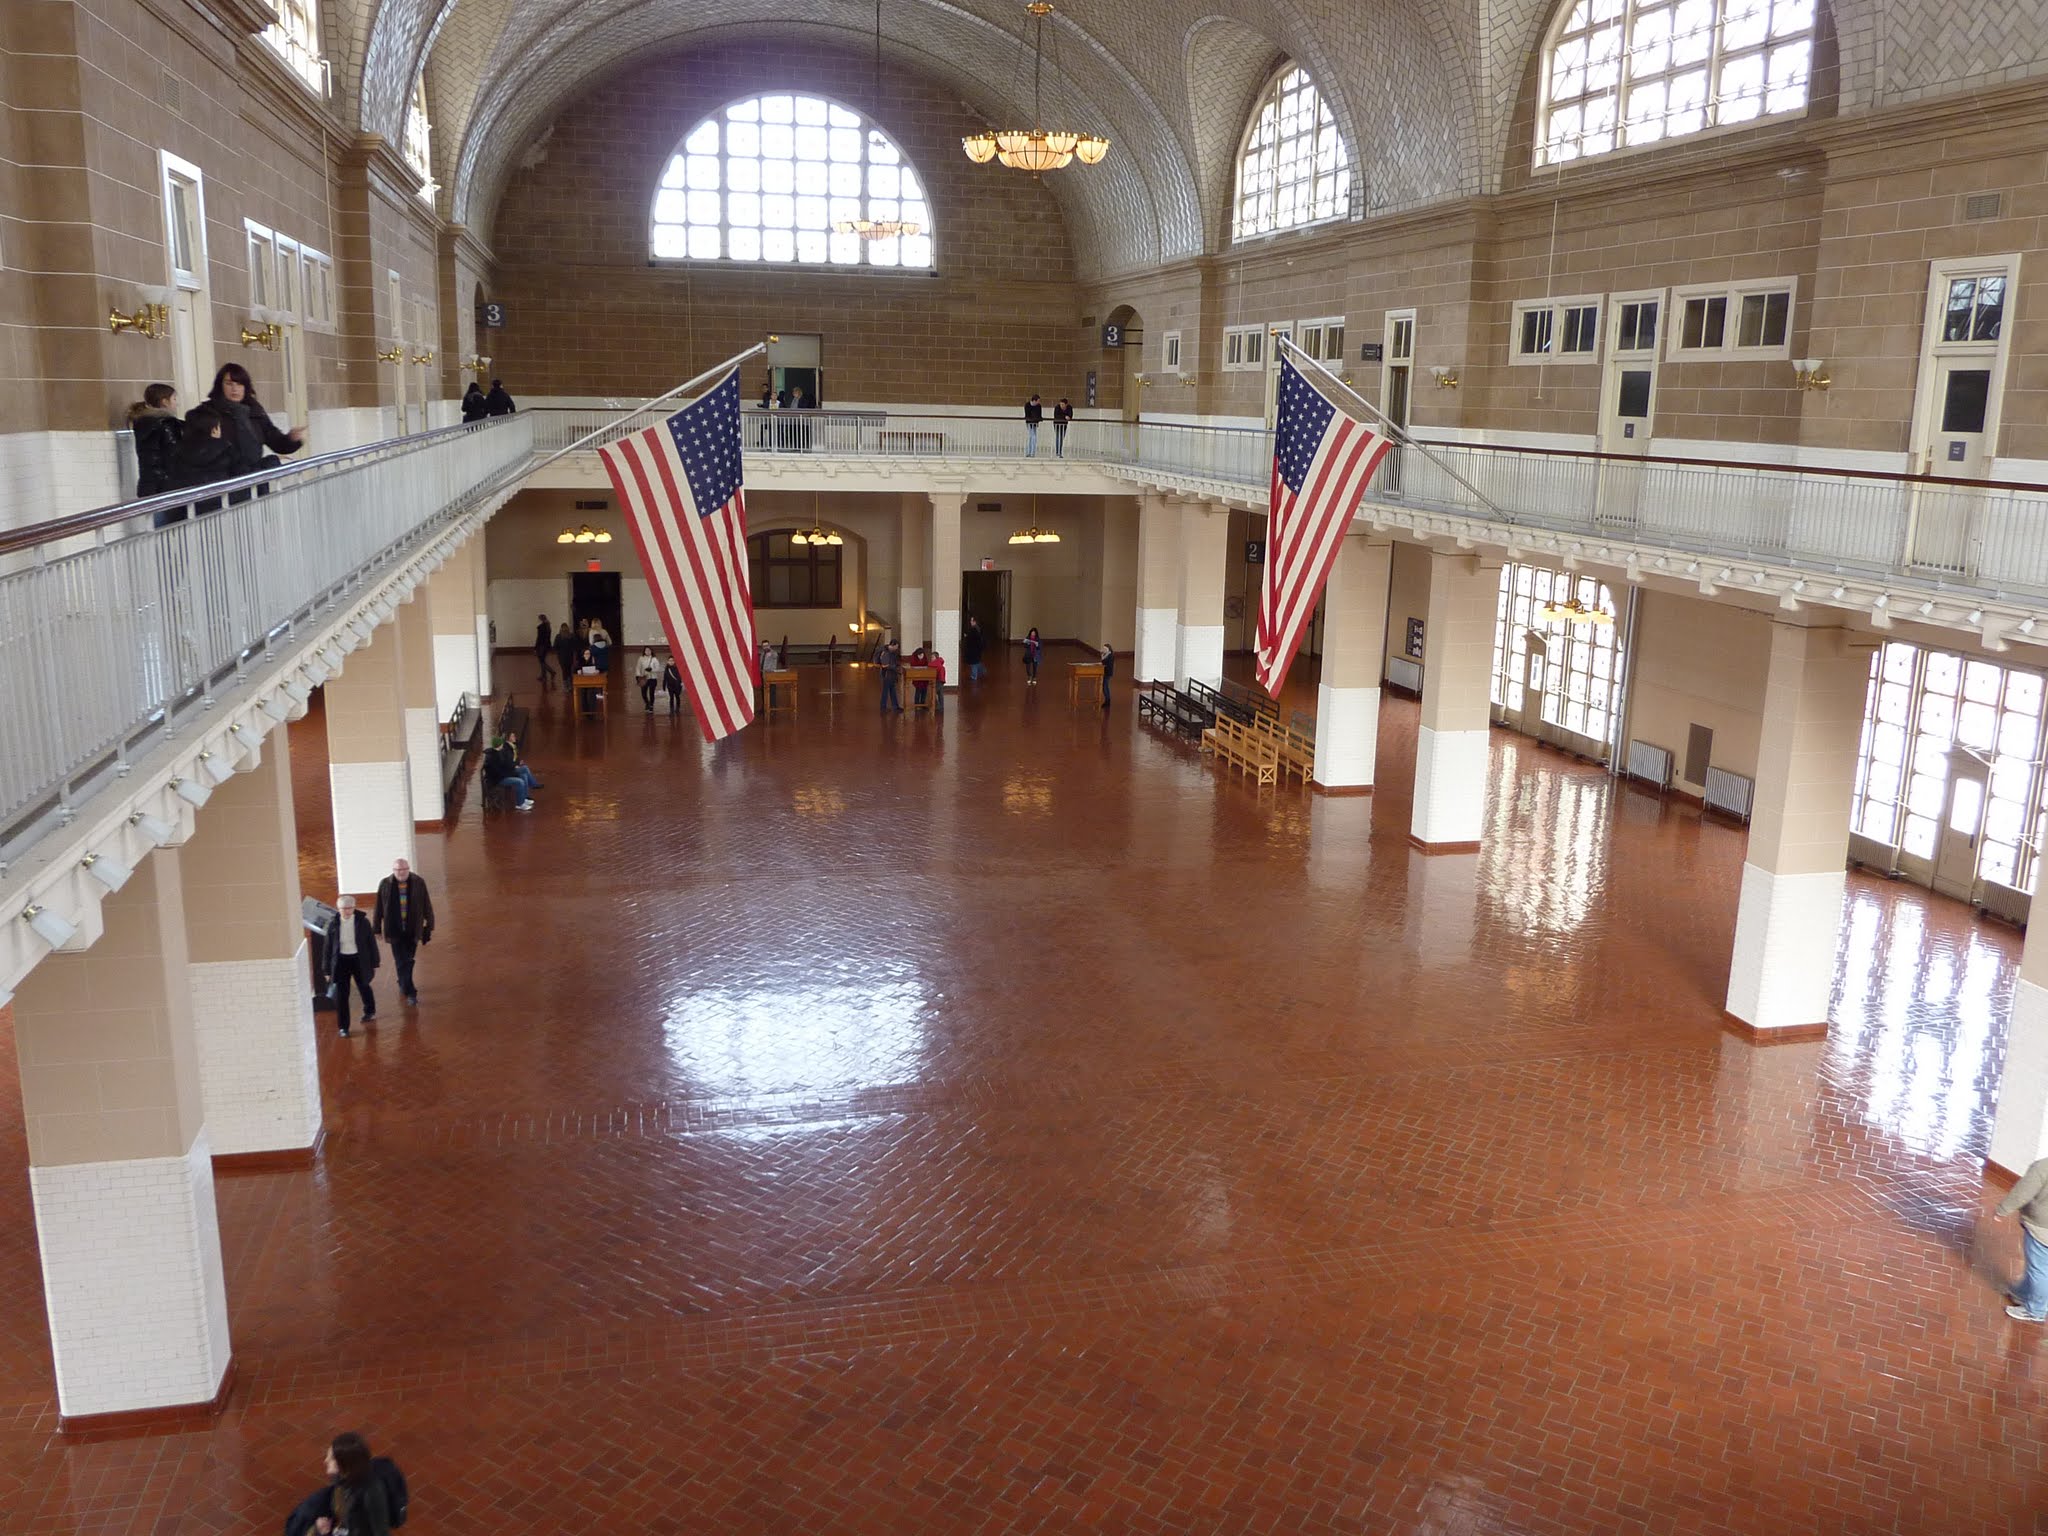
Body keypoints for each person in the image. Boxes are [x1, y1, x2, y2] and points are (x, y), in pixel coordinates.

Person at [207, 361, 303, 494]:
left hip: (256, 485)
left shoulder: (254, 411)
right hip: (225, 488)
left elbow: (274, 439)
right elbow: (197, 455)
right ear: (220, 385)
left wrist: (291, 439)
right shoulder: (208, 413)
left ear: (245, 387)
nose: (234, 389)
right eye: (229, 383)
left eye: (239, 384)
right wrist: (212, 444)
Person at [372, 858, 435, 1008]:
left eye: (404, 869)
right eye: (397, 870)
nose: (401, 872)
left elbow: (426, 903)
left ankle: (403, 981)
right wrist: (376, 928)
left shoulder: (418, 882)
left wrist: (430, 924)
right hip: (394, 929)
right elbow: (379, 906)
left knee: (408, 959)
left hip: (412, 929)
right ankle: (411, 992)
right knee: (402, 961)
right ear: (393, 870)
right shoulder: (385, 884)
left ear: (408, 869)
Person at [1997, 1155, 2048, 1321]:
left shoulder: (2044, 1167)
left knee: (2038, 1269)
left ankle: (2035, 1310)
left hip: (2042, 1229)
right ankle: (2022, 1292)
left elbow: (2023, 1192)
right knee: (2039, 1266)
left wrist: (2003, 1209)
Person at [322, 895, 379, 1037]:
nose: (347, 911)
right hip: (341, 961)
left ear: (354, 908)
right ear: (338, 909)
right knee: (342, 994)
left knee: (364, 986)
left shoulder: (363, 922)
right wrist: (326, 969)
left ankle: (369, 1011)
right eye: (344, 909)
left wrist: (374, 962)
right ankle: (343, 1027)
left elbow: (371, 943)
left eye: (350, 908)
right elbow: (327, 948)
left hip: (359, 959)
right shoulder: (333, 924)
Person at [166, 402, 237, 515]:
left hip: (186, 513)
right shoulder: (225, 449)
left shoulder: (178, 453)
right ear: (214, 429)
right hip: (220, 508)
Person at [129, 383, 183, 500]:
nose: (177, 404)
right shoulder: (167, 424)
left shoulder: (142, 423)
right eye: (174, 399)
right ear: (165, 402)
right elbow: (174, 455)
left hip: (148, 487)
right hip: (167, 488)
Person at [481, 735, 535, 810]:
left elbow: (505, 765)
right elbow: (498, 772)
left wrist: (513, 769)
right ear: (499, 744)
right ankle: (520, 804)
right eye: (501, 743)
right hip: (497, 780)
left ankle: (523, 798)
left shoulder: (499, 752)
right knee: (520, 782)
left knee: (523, 775)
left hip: (503, 775)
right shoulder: (493, 757)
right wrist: (512, 773)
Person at [877, 636, 903, 714]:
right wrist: (894, 667)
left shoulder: (891, 652)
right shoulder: (885, 652)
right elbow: (884, 665)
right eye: (896, 646)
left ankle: (894, 706)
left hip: (891, 674)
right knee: (886, 691)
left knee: (892, 691)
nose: (897, 648)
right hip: (887, 675)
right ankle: (884, 707)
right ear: (893, 645)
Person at [553, 622, 578, 693]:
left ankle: (565, 686)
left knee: (564, 671)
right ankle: (570, 686)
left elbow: (555, 647)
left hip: (561, 657)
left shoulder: (558, 636)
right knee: (569, 671)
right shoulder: (571, 636)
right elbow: (575, 647)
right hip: (570, 656)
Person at [534, 614, 555, 690]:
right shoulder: (548, 626)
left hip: (541, 646)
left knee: (541, 661)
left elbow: (539, 638)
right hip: (546, 646)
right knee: (542, 660)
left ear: (540, 620)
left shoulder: (540, 627)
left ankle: (551, 672)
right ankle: (543, 675)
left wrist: (535, 647)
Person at [964, 617, 987, 682]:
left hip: (973, 649)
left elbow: (972, 639)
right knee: (977, 661)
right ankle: (983, 671)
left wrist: (967, 636)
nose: (970, 622)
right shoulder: (978, 629)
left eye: (972, 621)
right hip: (977, 649)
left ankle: (974, 676)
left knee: (973, 662)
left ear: (975, 622)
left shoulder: (974, 630)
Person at [1099, 639, 1115, 708]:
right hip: (1105, 672)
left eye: (1105, 649)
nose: (1104, 650)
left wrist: (1103, 657)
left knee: (1105, 687)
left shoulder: (1110, 655)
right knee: (1105, 686)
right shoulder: (1107, 655)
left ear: (1109, 649)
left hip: (1108, 673)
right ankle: (1107, 700)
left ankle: (1107, 701)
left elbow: (1104, 662)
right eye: (1103, 648)